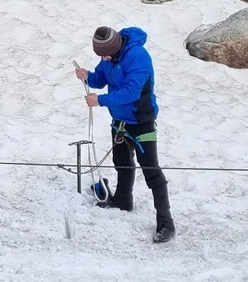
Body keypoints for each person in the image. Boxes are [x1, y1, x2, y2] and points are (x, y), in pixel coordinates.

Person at [74, 26, 174, 244]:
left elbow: (132, 92)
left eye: (106, 54)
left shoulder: (138, 57)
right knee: (121, 162)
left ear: (116, 47)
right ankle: (122, 200)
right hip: (119, 121)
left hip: (141, 121)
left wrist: (100, 101)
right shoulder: (109, 55)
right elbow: (101, 78)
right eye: (101, 55)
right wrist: (87, 76)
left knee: (151, 170)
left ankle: (166, 222)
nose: (104, 58)